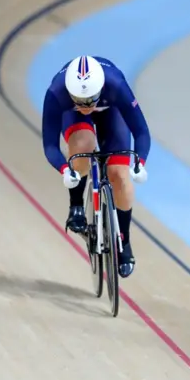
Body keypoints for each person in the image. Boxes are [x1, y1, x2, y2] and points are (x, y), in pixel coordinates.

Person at [40, 55, 151, 278]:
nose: (86, 107)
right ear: (70, 93)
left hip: (112, 111)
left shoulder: (116, 85)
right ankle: (76, 207)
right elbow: (50, 145)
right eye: (80, 101)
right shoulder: (56, 93)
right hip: (71, 117)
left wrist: (140, 162)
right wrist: (65, 169)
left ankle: (124, 241)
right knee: (83, 145)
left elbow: (141, 131)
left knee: (119, 175)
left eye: (90, 101)